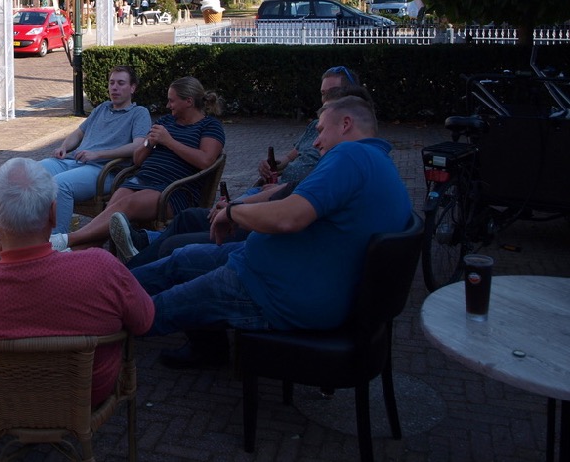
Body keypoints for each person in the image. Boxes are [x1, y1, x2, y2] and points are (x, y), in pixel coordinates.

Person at [132, 95, 412, 369]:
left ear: (346, 124)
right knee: (182, 257)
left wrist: (232, 212)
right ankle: (107, 284)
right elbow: (291, 202)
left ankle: (98, 316)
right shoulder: (379, 163)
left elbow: (289, 217)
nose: (315, 141)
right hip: (277, 270)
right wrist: (240, 208)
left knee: (159, 309)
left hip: (273, 290)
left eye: (321, 130)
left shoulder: (351, 155)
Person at [0, 158, 154, 405]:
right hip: (86, 397)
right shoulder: (102, 269)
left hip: (3, 399)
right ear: (53, 212)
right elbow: (143, 321)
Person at [109, 67, 367, 263]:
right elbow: (287, 160)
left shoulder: (344, 160)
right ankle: (131, 245)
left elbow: (293, 203)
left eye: (332, 94)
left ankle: (119, 266)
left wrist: (235, 208)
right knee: (183, 218)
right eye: (323, 94)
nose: (325, 101)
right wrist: (272, 166)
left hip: (265, 209)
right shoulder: (318, 128)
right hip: (268, 192)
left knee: (174, 247)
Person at [50, 76, 225, 251]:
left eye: (172, 101)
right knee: (110, 216)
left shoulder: (210, 126)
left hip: (173, 190)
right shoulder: (166, 122)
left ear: (188, 101)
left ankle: (66, 241)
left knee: (125, 207)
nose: (167, 105)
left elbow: (205, 160)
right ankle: (70, 256)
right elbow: (138, 159)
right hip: (143, 178)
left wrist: (169, 141)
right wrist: (149, 143)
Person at [39, 65, 152, 233]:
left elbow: (138, 145)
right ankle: (30, 236)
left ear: (132, 88)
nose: (114, 87)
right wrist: (64, 147)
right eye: (112, 82)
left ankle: (58, 243)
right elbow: (78, 133)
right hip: (74, 161)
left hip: (104, 170)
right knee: (31, 173)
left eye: (121, 83)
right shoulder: (102, 108)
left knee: (60, 185)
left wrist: (98, 154)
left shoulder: (139, 113)